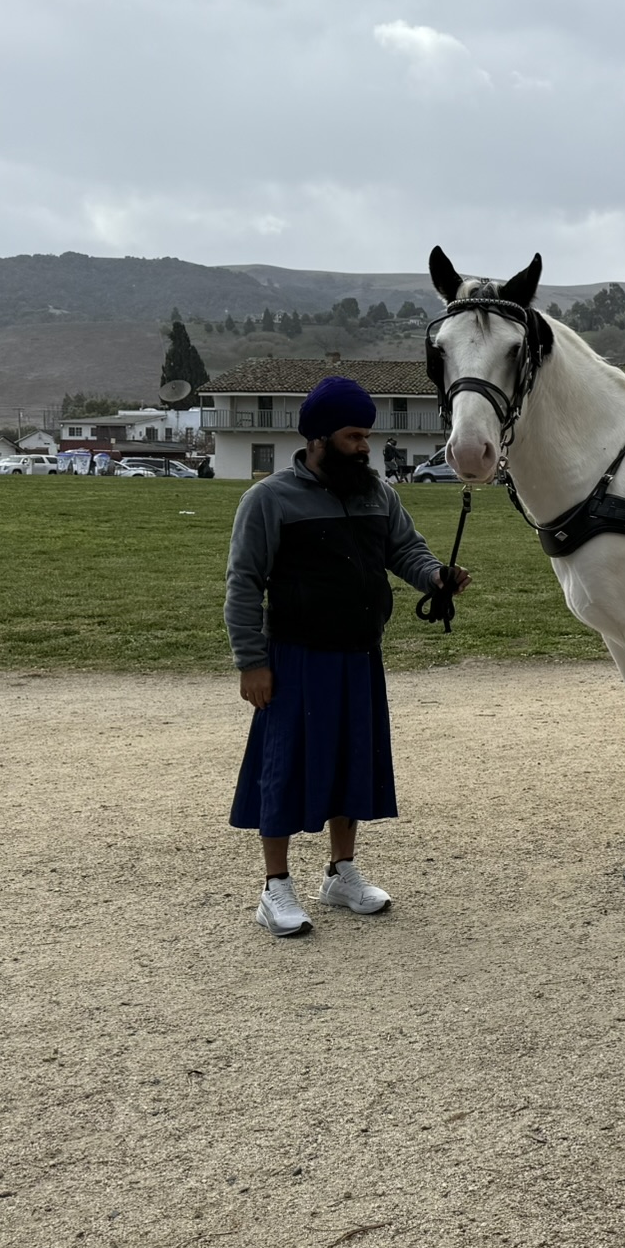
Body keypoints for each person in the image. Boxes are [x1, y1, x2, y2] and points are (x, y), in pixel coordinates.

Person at [224, 375, 470, 939]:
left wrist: (436, 578)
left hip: (359, 653)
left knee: (351, 761)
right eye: (354, 436)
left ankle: (340, 873)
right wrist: (251, 662)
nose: (365, 447)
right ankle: (275, 887)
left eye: (368, 436)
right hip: (293, 658)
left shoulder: (377, 493)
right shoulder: (268, 499)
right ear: (317, 438)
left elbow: (405, 549)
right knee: (284, 768)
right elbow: (243, 583)